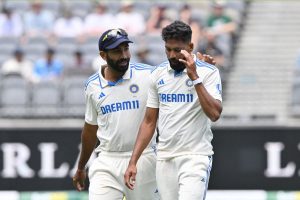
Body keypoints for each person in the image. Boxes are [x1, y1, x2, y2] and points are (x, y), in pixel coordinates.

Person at [72, 28, 216, 200]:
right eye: (117, 51)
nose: (124, 55)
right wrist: (81, 167)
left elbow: (175, 73)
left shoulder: (148, 74)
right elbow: (89, 130)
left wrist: (202, 69)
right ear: (103, 55)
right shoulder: (92, 86)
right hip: (107, 159)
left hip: (144, 159)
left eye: (126, 49)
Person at [124, 20, 222, 200]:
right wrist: (133, 161)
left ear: (190, 46)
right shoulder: (157, 74)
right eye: (168, 49)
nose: (171, 55)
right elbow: (149, 121)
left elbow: (215, 114)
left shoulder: (208, 72)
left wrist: (195, 78)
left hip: (195, 156)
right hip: (164, 158)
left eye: (177, 50)